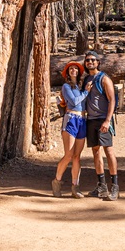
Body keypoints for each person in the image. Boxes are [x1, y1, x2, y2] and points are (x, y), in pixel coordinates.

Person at [83, 50, 119, 200]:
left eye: (93, 60)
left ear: (98, 62)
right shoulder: (86, 80)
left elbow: (112, 100)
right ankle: (101, 186)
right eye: (87, 60)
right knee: (96, 151)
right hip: (91, 120)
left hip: (103, 119)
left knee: (108, 150)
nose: (90, 62)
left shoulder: (104, 79)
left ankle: (115, 187)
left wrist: (107, 120)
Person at [51, 60, 88, 198]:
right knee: (69, 154)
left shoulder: (80, 87)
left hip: (82, 120)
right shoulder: (66, 86)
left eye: (76, 69)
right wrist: (86, 93)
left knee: (77, 156)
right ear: (67, 72)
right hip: (71, 119)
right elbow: (73, 102)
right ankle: (57, 181)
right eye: (71, 69)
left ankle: (75, 187)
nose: (73, 70)